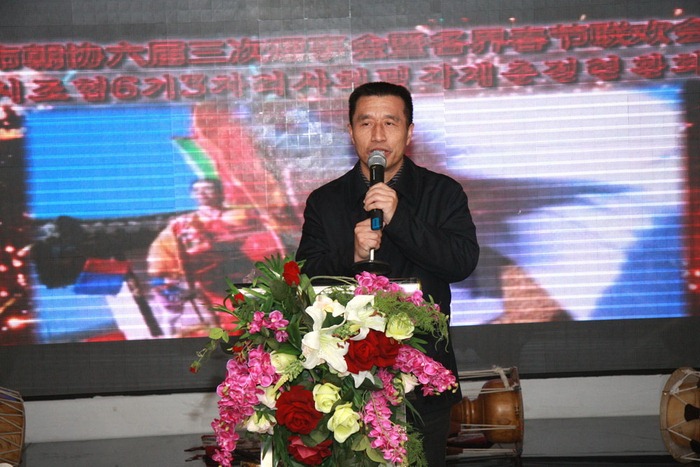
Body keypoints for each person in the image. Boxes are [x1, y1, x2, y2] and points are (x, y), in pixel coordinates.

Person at [295, 81, 480, 466]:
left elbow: (461, 262)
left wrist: (400, 218)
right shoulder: (325, 201)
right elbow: (304, 278)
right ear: (350, 131)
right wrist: (351, 254)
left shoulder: (442, 193)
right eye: (366, 123)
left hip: (423, 380)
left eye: (390, 123)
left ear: (409, 132)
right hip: (342, 382)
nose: (378, 135)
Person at [148, 177, 283, 335]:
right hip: (213, 282)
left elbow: (273, 234)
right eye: (197, 190)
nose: (202, 193)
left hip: (245, 272)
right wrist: (178, 279)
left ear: (220, 192)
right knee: (232, 322)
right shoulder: (183, 224)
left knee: (262, 315)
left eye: (208, 189)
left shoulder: (242, 214)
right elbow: (165, 252)